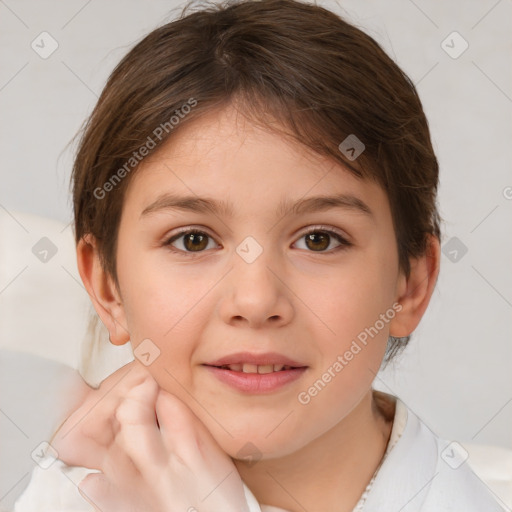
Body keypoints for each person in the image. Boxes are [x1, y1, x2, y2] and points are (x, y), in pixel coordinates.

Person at [13, 0, 507, 510]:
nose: (254, 300)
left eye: (319, 239)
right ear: (107, 287)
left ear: (411, 285)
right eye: (193, 240)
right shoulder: (68, 491)